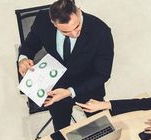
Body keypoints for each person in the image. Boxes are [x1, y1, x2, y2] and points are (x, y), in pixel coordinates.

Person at [17, 0, 114, 130]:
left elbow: (103, 74)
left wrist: (70, 92)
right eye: (66, 32)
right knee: (61, 130)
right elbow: (30, 44)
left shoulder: (101, 32)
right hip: (56, 86)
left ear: (78, 11)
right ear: (53, 23)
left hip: (88, 86)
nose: (74, 34)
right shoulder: (42, 20)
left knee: (100, 129)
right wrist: (23, 58)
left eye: (77, 26)